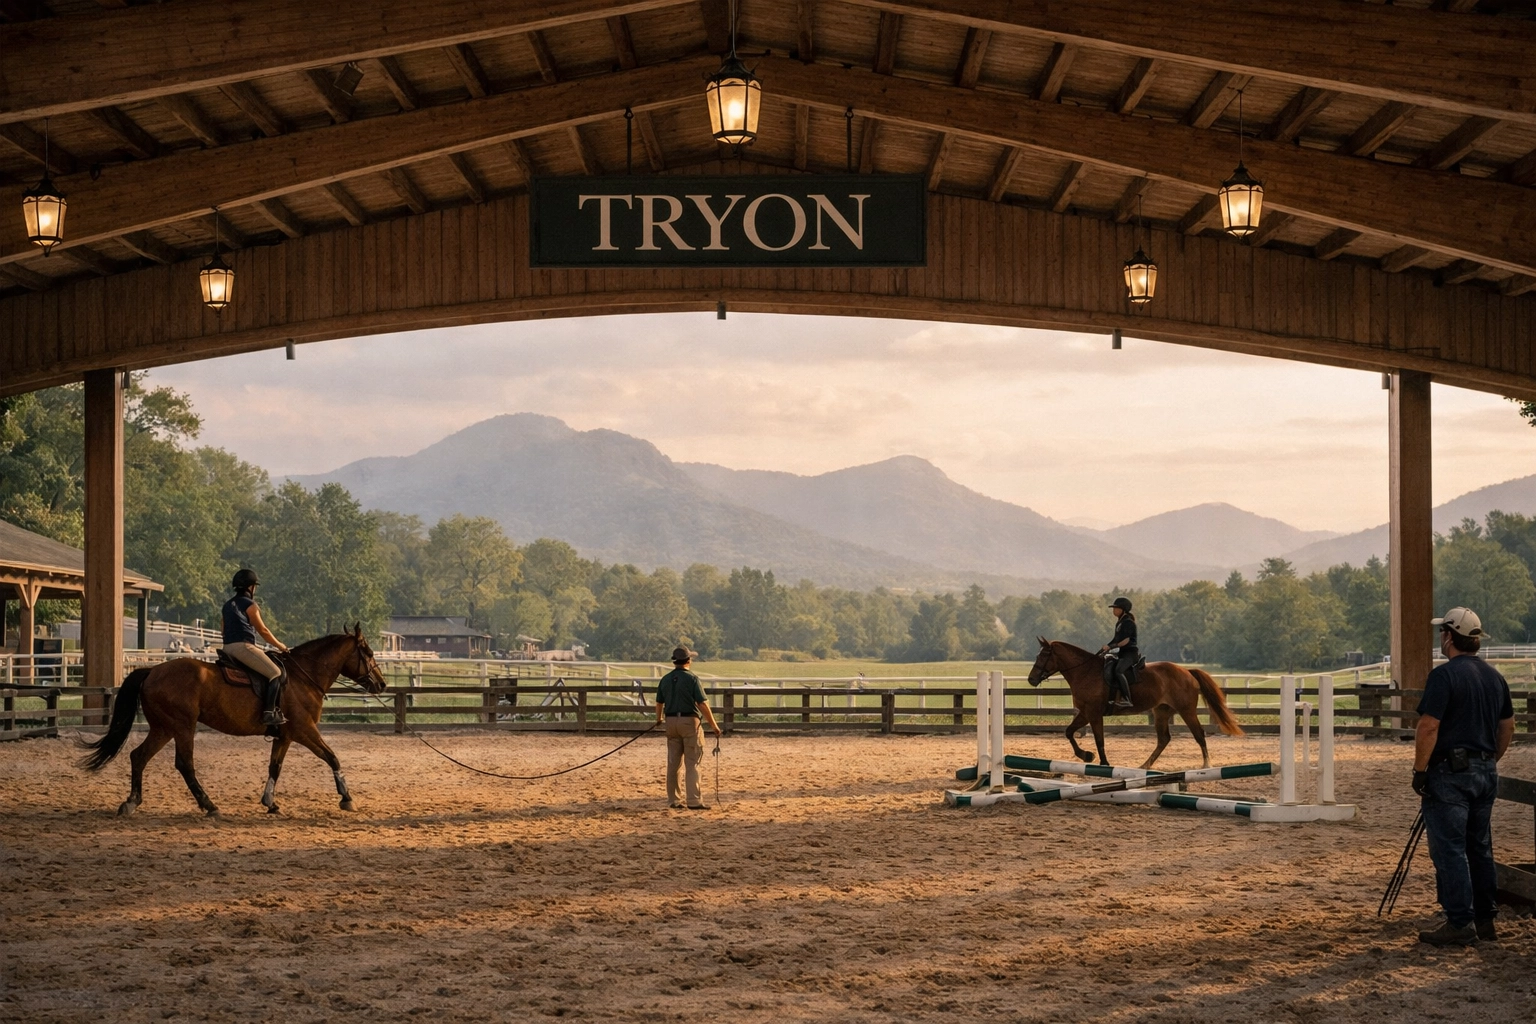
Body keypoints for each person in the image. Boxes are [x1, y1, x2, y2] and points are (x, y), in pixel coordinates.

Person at [1412, 607, 1515, 947]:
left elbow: (1429, 726)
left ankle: (1460, 921)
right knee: (1480, 847)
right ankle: (1486, 919)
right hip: (1486, 771)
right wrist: (1488, 760)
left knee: (1450, 849)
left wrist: (1420, 770)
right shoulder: (1495, 677)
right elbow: (1507, 727)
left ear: (1448, 636)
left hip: (1450, 773)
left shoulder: (1445, 676)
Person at [655, 645, 722, 810]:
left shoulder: (665, 679)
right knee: (692, 763)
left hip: (671, 722)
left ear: (675, 662)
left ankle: (673, 800)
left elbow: (659, 702)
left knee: (673, 763)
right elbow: (702, 703)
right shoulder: (692, 679)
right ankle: (693, 801)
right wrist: (713, 725)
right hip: (689, 722)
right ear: (688, 660)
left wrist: (659, 718)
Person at [222, 568, 291, 727]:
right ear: (250, 587)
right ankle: (269, 712)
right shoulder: (250, 605)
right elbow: (263, 631)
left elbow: (223, 629)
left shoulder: (227, 605)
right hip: (243, 647)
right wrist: (281, 646)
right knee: (275, 673)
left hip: (227, 648)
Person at [1098, 597, 1139, 709]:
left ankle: (1127, 699)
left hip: (1130, 654)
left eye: (1116, 608)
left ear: (1123, 609)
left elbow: (1125, 641)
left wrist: (1111, 647)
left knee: (1118, 671)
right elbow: (1116, 639)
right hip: (1122, 653)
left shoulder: (1128, 623)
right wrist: (1105, 648)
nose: (1114, 610)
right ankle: (1111, 697)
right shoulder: (1120, 622)